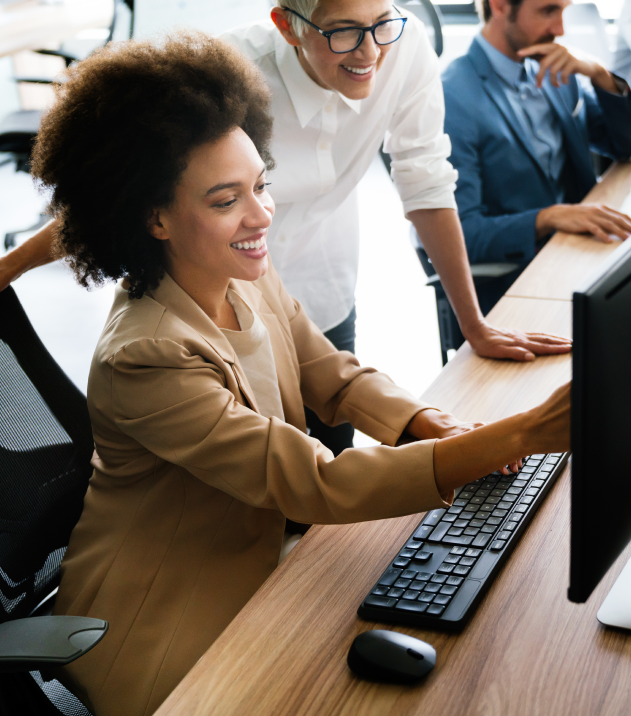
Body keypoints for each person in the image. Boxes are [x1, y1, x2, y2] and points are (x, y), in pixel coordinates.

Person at [36, 34, 570, 716]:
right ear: (155, 217)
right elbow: (314, 482)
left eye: (261, 185)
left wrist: (424, 424)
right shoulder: (147, 356)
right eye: (226, 200)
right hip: (165, 620)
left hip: (262, 561)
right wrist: (521, 433)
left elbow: (333, 376)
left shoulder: (241, 277)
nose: (263, 214)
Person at [0, 0, 571, 457]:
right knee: (262, 492)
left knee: (329, 454)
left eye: (381, 24)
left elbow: (426, 181)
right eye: (343, 31)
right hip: (212, 307)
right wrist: (12, 266)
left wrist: (473, 326)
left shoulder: (404, 46)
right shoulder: (221, 80)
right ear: (288, 25)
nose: (370, 50)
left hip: (314, 294)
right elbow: (123, 198)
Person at [441, 0, 631, 315]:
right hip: (520, 278)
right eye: (548, 11)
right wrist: (547, 217)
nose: (560, 30)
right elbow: (461, 234)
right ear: (499, 6)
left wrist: (599, 74)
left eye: (564, 10)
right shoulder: (453, 97)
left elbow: (629, 146)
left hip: (581, 252)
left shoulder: (554, 66)